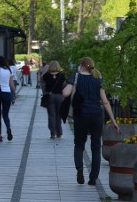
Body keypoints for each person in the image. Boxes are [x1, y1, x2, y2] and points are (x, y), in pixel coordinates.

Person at [62, 57, 119, 185]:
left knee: (79, 144)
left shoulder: (75, 76)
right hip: (96, 115)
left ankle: (80, 170)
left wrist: (65, 89)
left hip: (81, 114)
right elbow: (104, 101)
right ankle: (93, 178)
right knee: (96, 147)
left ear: (81, 65)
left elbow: (66, 93)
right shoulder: (98, 78)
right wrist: (113, 120)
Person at [0, 56, 17, 142]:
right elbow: (12, 84)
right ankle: (8, 128)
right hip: (7, 94)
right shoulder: (9, 70)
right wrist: (14, 93)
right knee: (5, 115)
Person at [42, 61, 67, 139]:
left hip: (50, 96)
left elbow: (42, 81)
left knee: (51, 115)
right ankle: (59, 132)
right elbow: (64, 85)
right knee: (58, 115)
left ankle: (53, 133)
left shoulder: (46, 75)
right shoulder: (62, 75)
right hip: (60, 96)